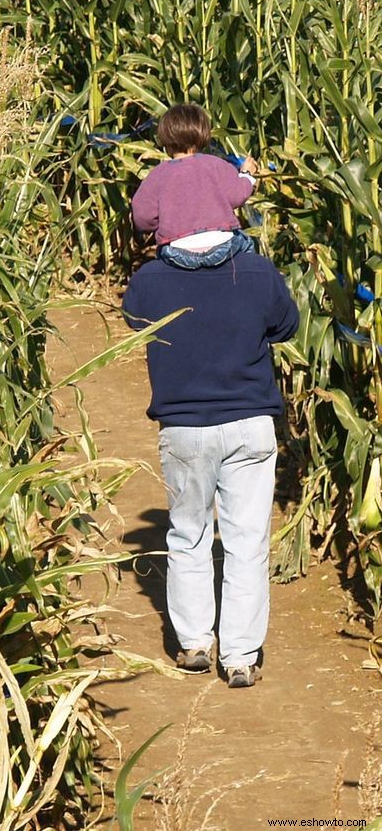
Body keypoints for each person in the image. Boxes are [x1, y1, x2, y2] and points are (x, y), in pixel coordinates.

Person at [121, 248, 299, 687]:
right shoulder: (257, 269)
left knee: (188, 534)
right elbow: (287, 326)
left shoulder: (151, 278)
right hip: (250, 425)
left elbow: (133, 319)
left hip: (184, 428)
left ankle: (195, 643)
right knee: (247, 541)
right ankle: (240, 657)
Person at [131, 103, 258, 269]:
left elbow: (142, 217)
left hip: (176, 251)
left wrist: (157, 225)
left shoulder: (157, 175)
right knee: (248, 246)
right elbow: (238, 194)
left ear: (165, 139)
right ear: (203, 135)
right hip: (223, 246)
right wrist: (247, 175)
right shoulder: (216, 164)